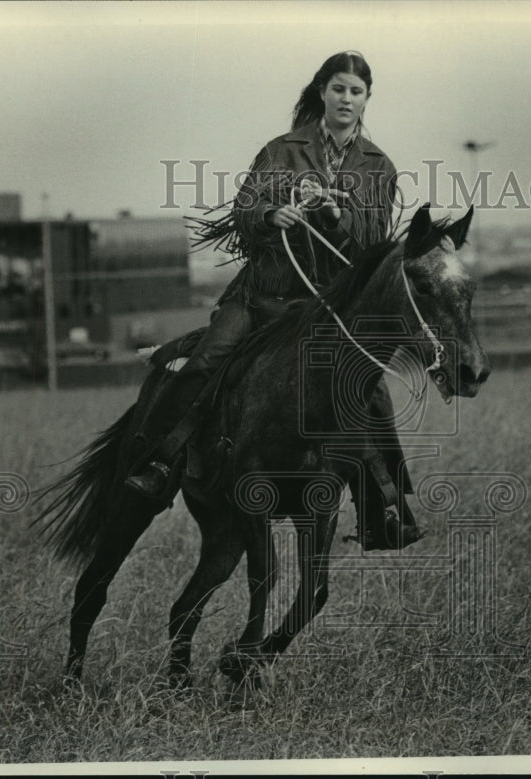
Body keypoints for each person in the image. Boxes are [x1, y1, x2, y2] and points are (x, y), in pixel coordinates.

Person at [125, 51, 423, 551]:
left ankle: (386, 508)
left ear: (366, 99)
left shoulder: (379, 166)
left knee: (370, 390)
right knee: (206, 361)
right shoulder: (281, 150)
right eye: (338, 89)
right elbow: (244, 208)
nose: (346, 99)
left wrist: (334, 218)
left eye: (356, 91)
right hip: (261, 293)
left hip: (321, 305)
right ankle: (159, 462)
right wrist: (269, 215)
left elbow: (372, 242)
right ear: (322, 93)